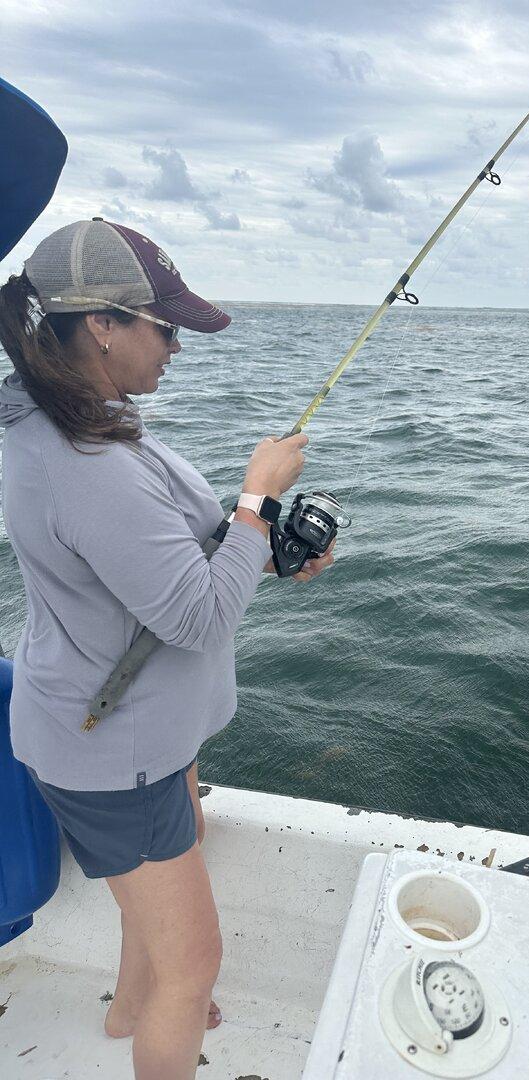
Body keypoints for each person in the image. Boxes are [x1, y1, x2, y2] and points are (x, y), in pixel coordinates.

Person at [0, 217, 334, 1079]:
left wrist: (258, 539)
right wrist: (258, 503)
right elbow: (193, 618)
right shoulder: (82, 458)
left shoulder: (79, 416)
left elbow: (158, 549)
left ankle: (125, 1013)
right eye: (166, 326)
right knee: (194, 969)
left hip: (119, 728)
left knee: (150, 918)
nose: (177, 347)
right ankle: (159, 1014)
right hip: (120, 752)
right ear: (103, 324)